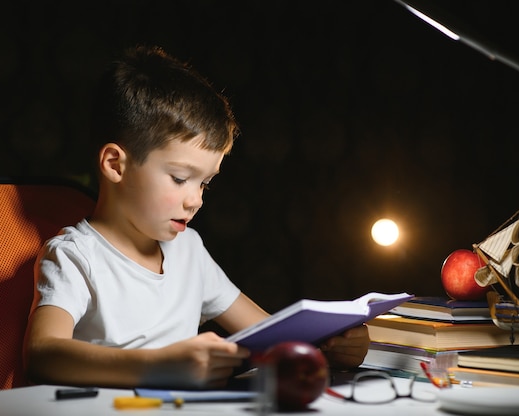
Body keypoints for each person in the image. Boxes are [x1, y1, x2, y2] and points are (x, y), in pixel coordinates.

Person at [23, 45, 370, 390]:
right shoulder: (75, 255)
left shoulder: (189, 249)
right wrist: (158, 366)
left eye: (205, 183)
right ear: (116, 164)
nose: (196, 200)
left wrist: (331, 347)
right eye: (179, 178)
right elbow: (42, 353)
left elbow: (274, 335)